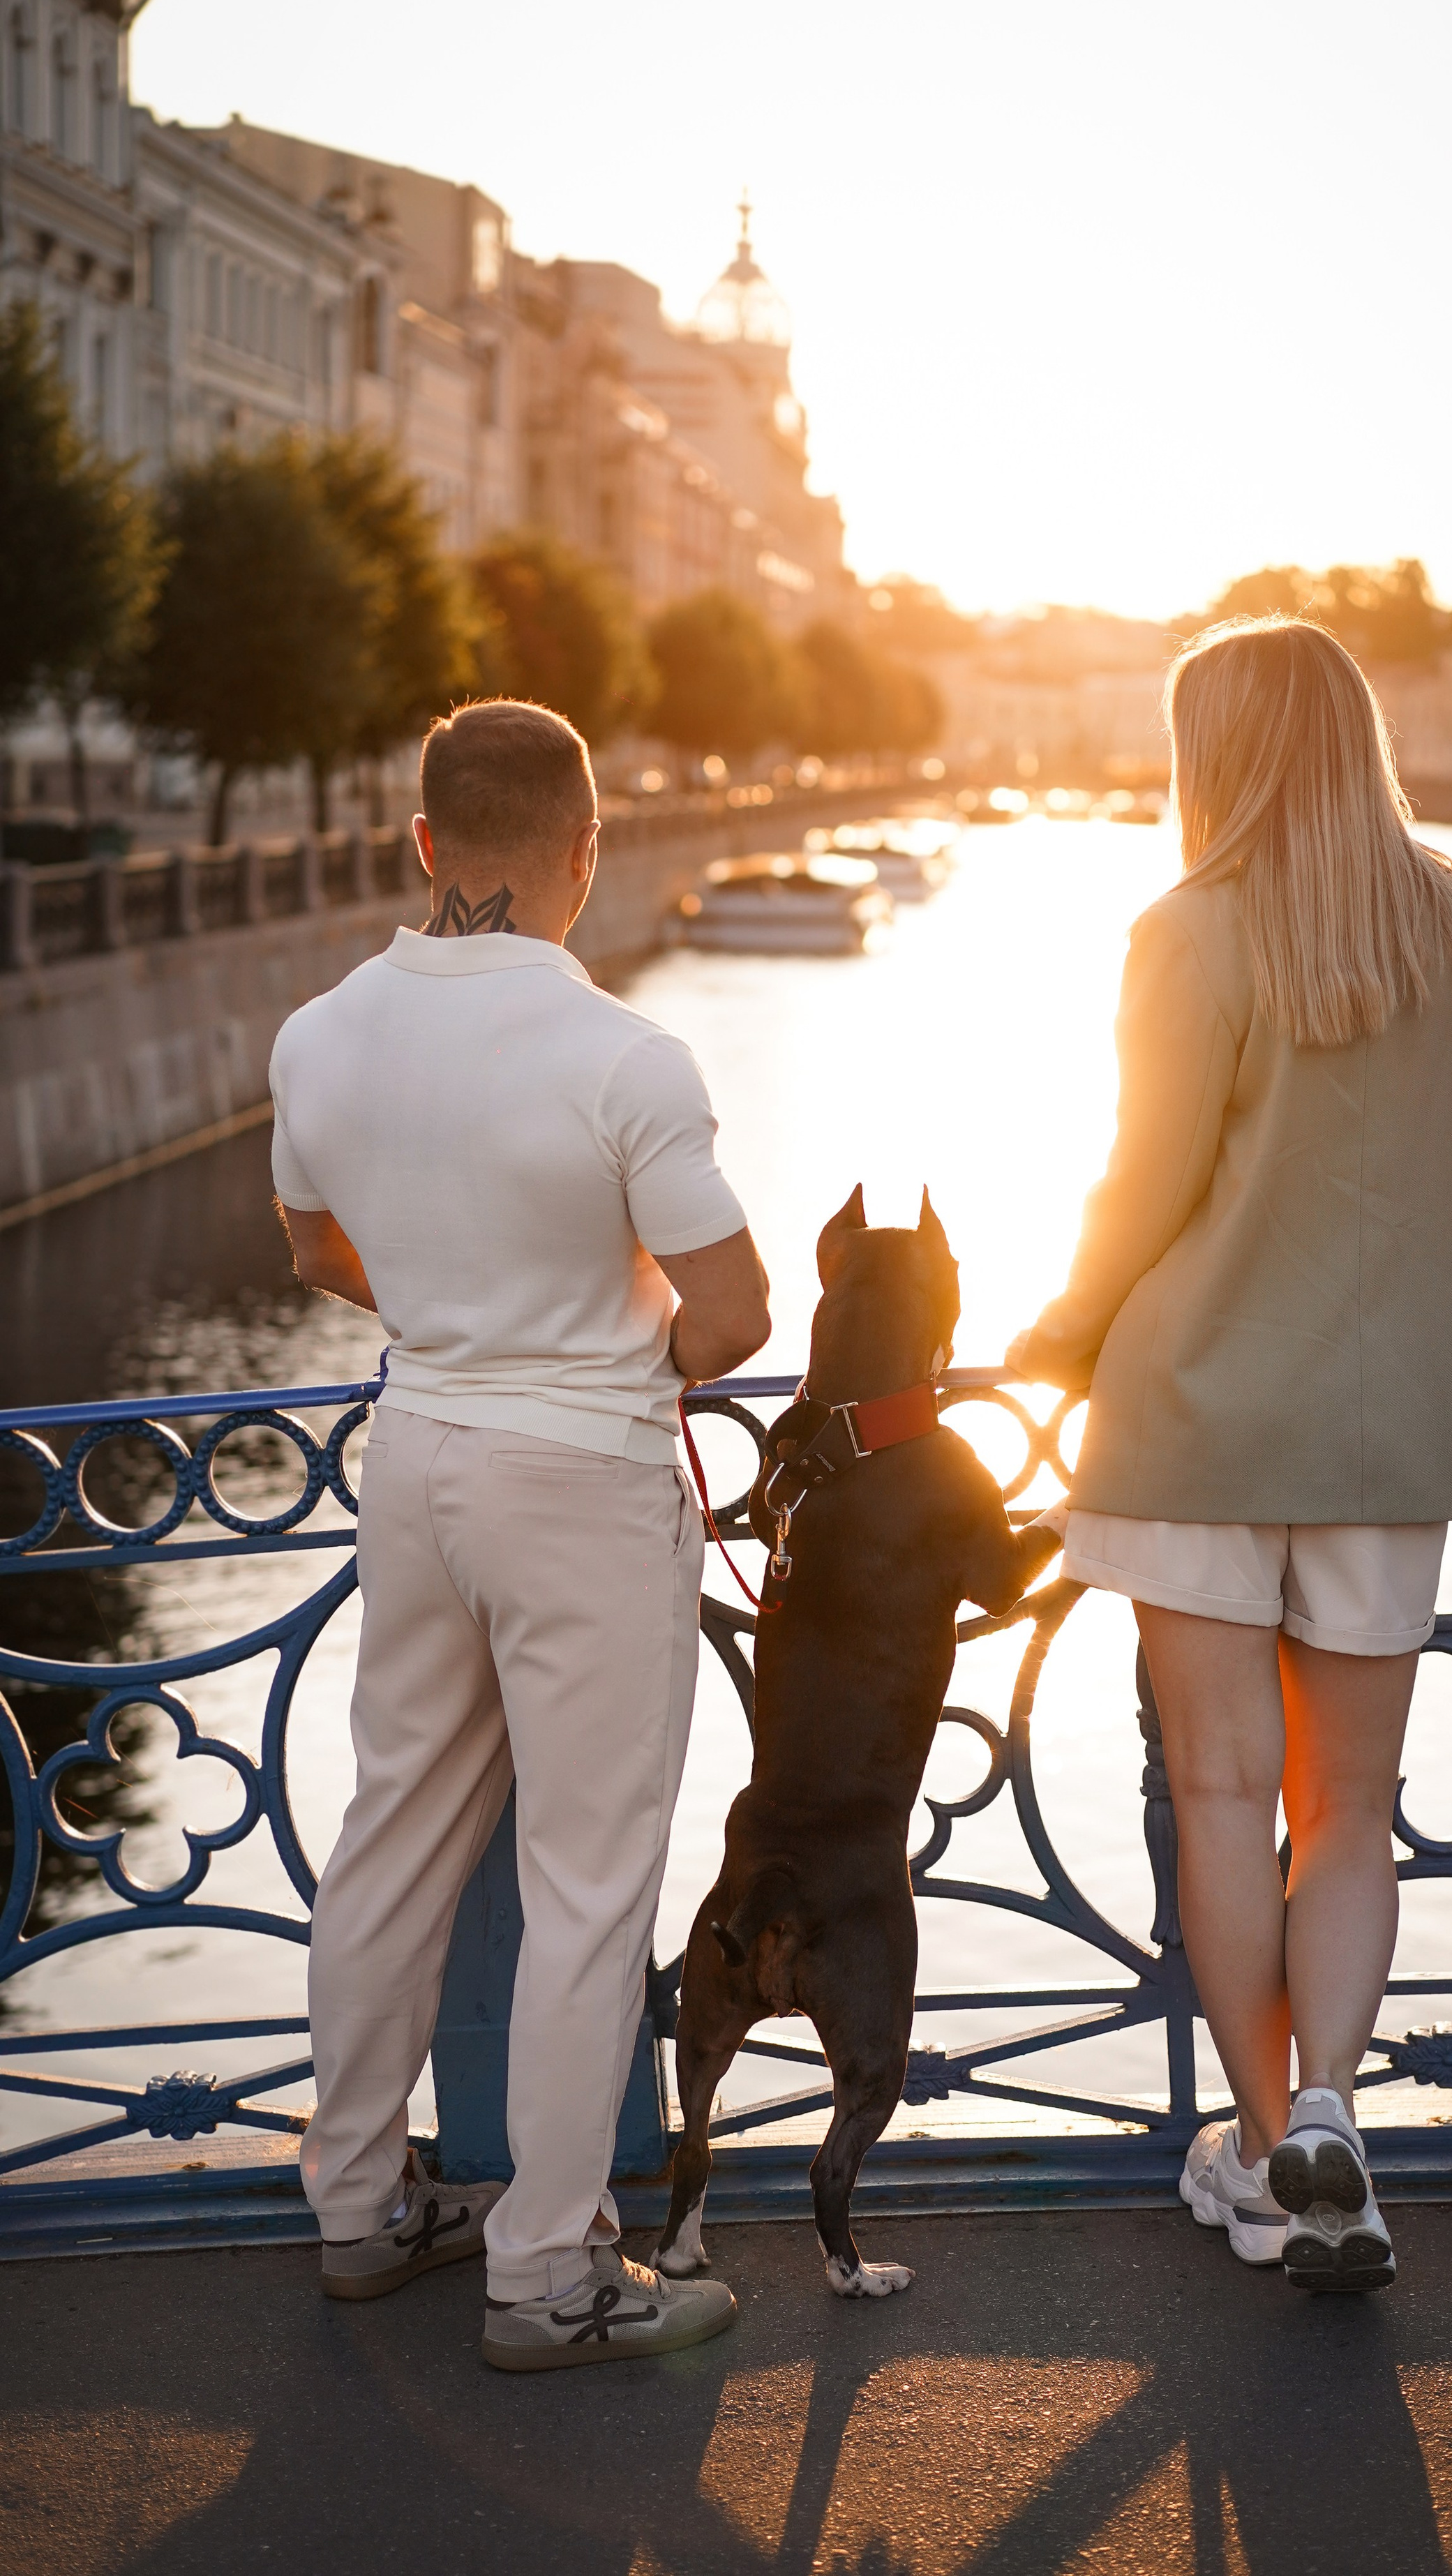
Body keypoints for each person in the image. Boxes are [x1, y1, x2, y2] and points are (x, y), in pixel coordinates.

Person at [1010, 619, 1452, 2294]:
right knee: (1347, 1806)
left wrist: (1061, 1333)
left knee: (1221, 1796)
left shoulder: (1185, 930)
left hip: (1193, 1418)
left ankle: (1248, 2142)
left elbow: (1139, 1183)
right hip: (1390, 1435)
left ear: (1208, 757)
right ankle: (1328, 2116)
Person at [271, 698, 770, 2369]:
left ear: (420, 843)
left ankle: (354, 2205)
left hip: (413, 1460)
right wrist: (597, 1324)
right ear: (586, 849)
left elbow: (310, 1247)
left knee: (391, 1832)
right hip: (580, 1485)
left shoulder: (318, 1034)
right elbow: (731, 1317)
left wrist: (443, 1300)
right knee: (584, 1880)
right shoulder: (626, 1059)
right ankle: (545, 2273)